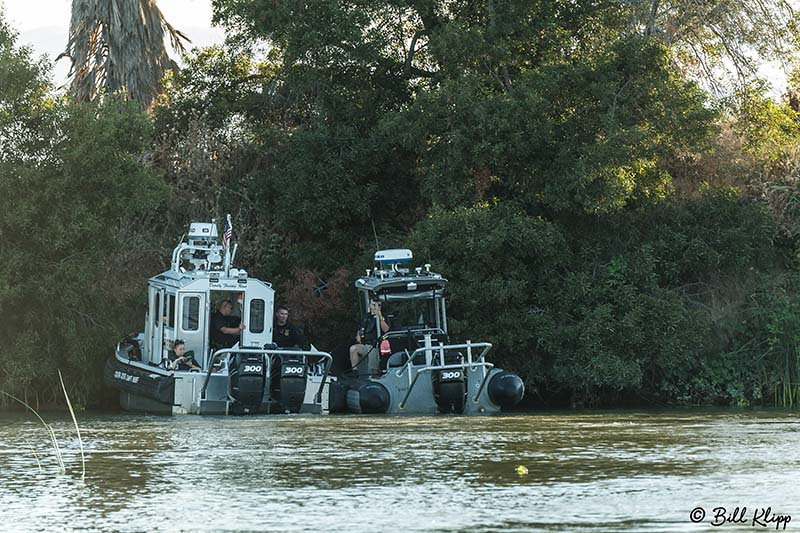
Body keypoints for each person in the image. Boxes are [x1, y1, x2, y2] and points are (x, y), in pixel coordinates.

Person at [349, 299, 389, 373]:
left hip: (375, 346)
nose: (376, 307)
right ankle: (355, 372)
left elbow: (386, 330)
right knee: (353, 349)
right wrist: (358, 336)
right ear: (370, 305)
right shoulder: (366, 317)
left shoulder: (384, 316)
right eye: (374, 305)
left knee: (373, 369)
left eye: (379, 305)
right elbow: (360, 328)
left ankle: (374, 377)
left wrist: (380, 317)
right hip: (365, 345)